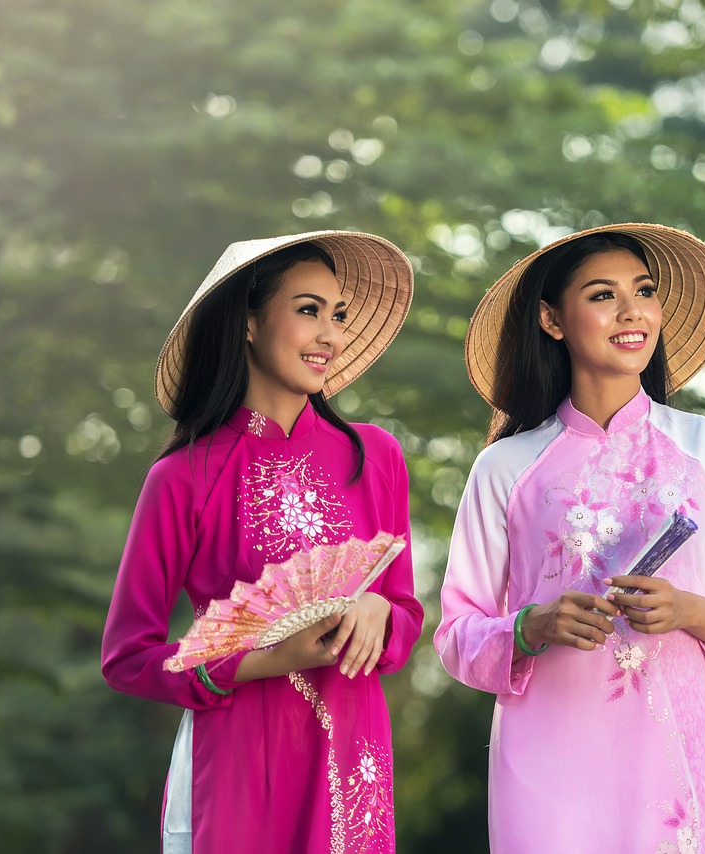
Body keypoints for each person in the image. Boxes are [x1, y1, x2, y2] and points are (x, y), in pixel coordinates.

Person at [435, 223, 705, 852]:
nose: (632, 312)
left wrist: (690, 610)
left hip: (674, 763)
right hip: (543, 769)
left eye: (644, 291)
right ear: (552, 320)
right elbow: (456, 635)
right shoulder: (505, 467)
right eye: (603, 295)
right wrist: (531, 626)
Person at [102, 231, 423, 853]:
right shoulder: (184, 476)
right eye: (308, 310)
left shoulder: (375, 456)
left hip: (351, 755)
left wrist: (379, 609)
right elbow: (127, 657)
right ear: (248, 323)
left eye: (338, 316)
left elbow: (406, 617)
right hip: (237, 759)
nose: (329, 335)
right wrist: (266, 659)